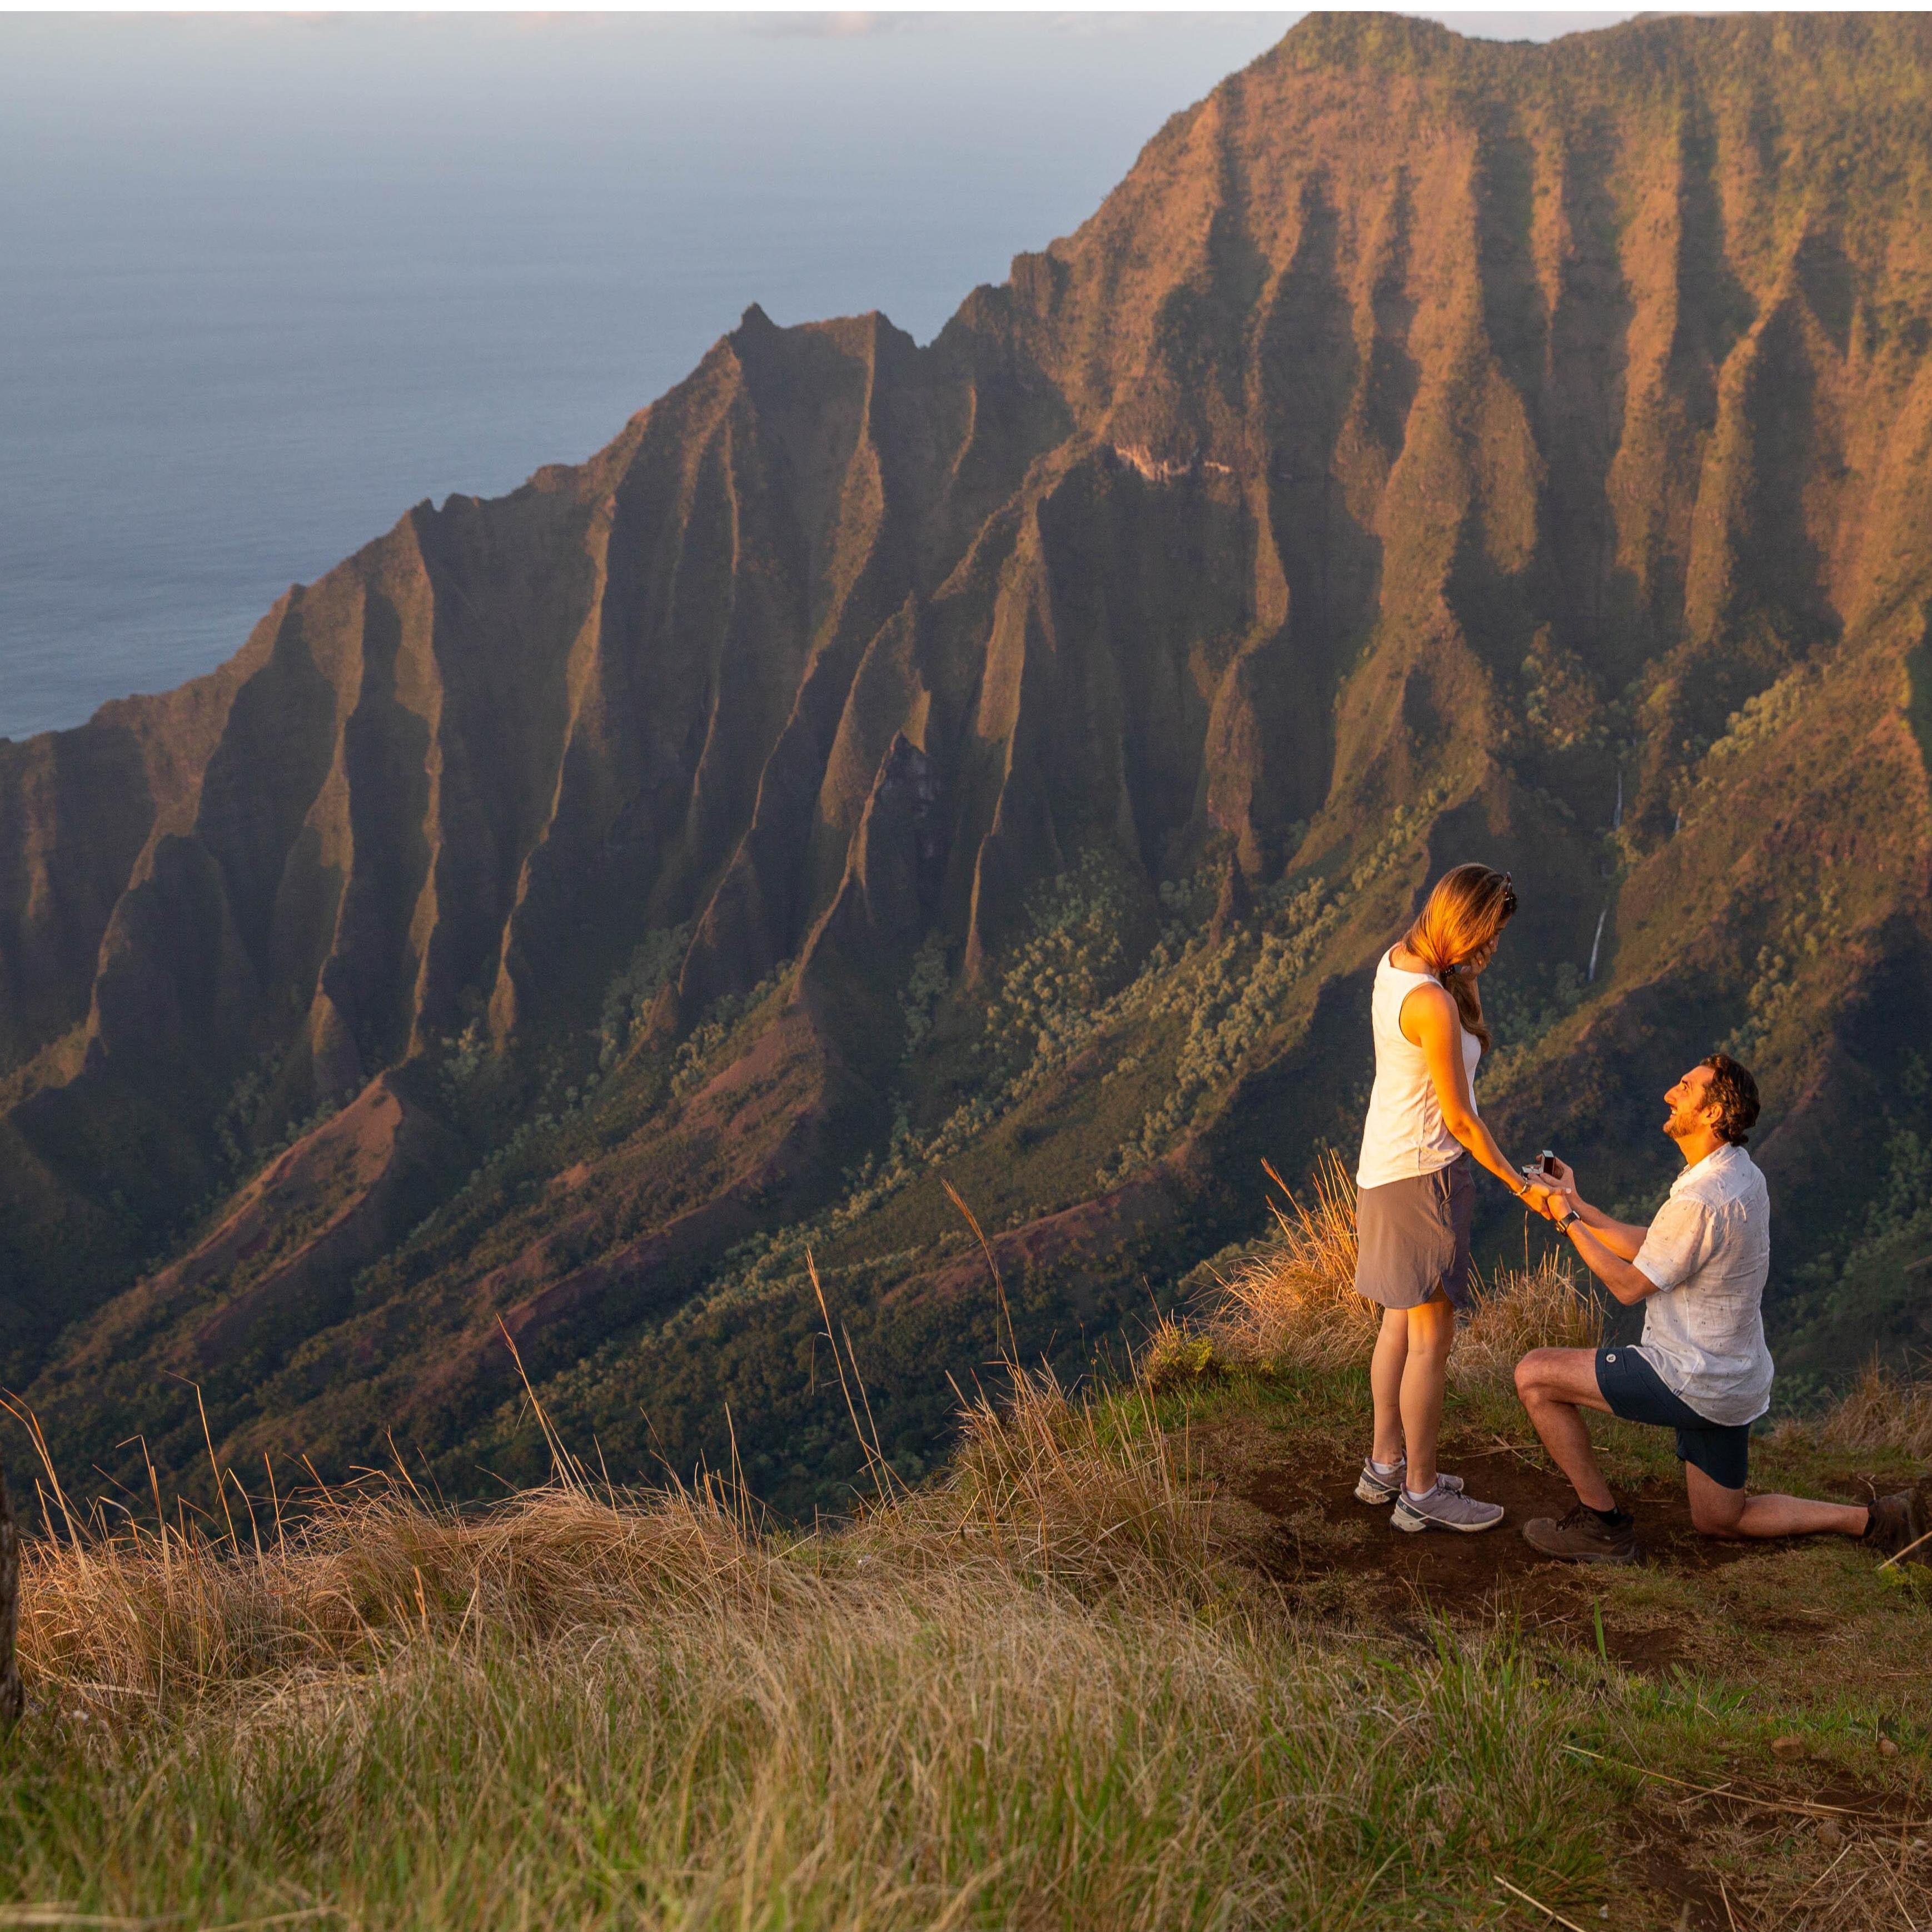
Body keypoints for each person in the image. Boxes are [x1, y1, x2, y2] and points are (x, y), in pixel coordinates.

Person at [1515, 1054, 1932, 1564]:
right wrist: (1575, 1201)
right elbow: (1660, 1246)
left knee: (1535, 1375)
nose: (1671, 1092)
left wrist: (1566, 1221)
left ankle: (1602, 1527)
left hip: (1686, 1376)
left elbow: (1627, 1286)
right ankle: (1877, 1520)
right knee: (1720, 1518)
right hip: (1731, 1381)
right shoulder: (1740, 1174)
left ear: (1713, 1115)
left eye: (1686, 1088)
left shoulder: (1702, 1199)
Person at [1353, 864, 1556, 1533]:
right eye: (1487, 936)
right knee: (1430, 1340)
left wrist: (1460, 975)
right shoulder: (1434, 1003)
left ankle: (1383, 1466)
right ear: (1460, 926)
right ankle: (1419, 1492)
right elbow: (1461, 1119)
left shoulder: (1396, 963)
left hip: (1383, 1169)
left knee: (1395, 1324)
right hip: (1424, 1179)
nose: (1492, 950)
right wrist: (1519, 1184)